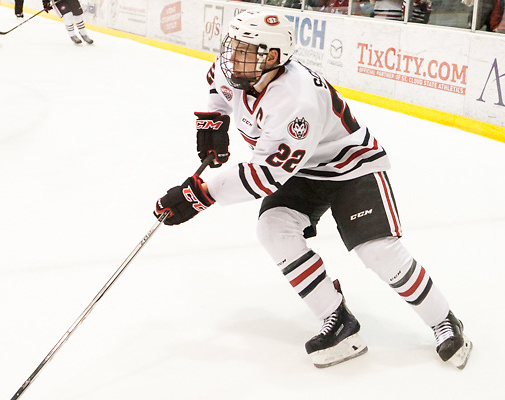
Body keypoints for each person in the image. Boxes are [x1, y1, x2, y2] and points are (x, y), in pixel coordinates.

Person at [154, 10, 472, 369]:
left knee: (378, 251)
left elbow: (264, 177)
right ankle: (338, 320)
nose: (232, 57)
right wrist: (214, 121)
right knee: (273, 229)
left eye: (244, 50)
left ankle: (443, 319)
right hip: (301, 169)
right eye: (233, 46)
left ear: (272, 57)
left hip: (351, 168)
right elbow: (217, 85)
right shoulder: (239, 68)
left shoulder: (295, 100)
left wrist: (199, 194)